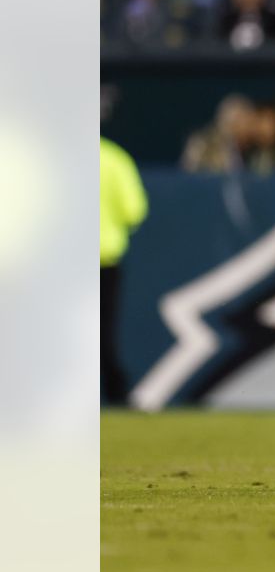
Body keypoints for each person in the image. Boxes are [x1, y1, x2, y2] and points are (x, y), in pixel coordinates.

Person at [101, 137, 149, 405]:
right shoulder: (113, 158)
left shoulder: (53, 156)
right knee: (103, 331)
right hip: (103, 258)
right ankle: (116, 395)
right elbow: (134, 211)